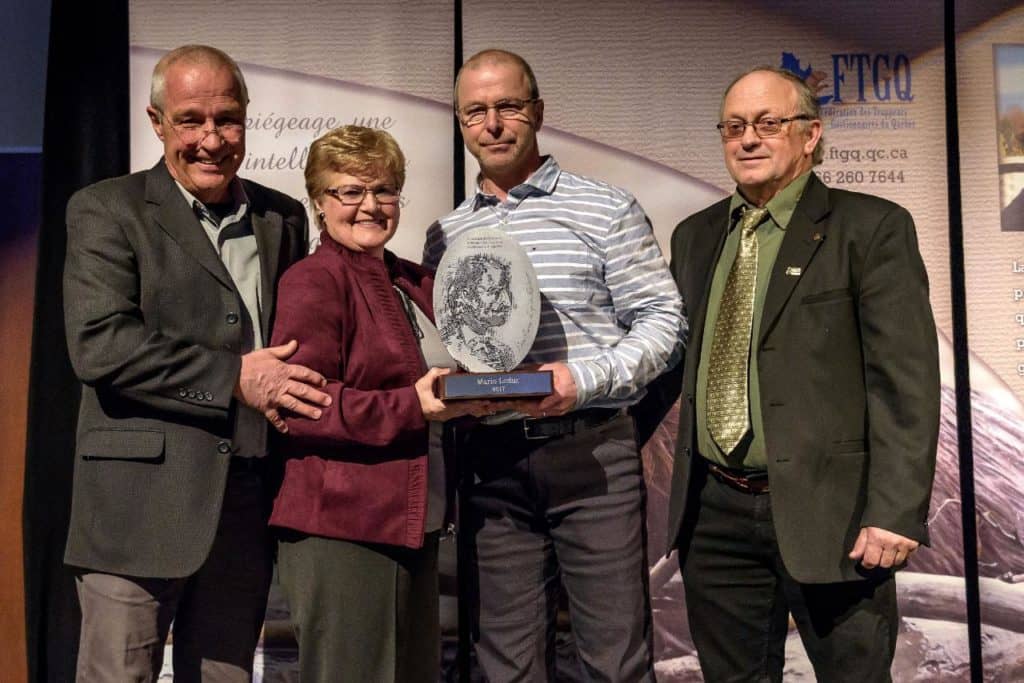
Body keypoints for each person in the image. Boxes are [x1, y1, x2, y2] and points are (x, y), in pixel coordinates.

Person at [62, 45, 331, 682]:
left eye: (227, 119)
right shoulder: (106, 209)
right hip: (136, 508)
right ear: (157, 122)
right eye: (191, 120)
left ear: (246, 119)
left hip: (245, 500)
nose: (210, 139)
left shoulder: (281, 215)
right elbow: (100, 345)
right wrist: (233, 377)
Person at [666, 66, 940, 682]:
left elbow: (907, 382)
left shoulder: (871, 228)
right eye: (734, 127)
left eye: (769, 123)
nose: (749, 139)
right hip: (714, 517)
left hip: (835, 518)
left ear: (811, 134)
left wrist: (895, 511)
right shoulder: (695, 235)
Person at [423, 49, 685, 681]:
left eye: (508, 106)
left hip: (591, 454)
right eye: (475, 111)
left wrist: (583, 380)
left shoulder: (607, 209)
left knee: (614, 659)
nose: (492, 124)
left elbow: (663, 322)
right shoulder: (445, 233)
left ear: (537, 111)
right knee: (505, 662)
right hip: (491, 461)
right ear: (460, 124)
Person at [268, 125, 493, 682]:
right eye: (350, 191)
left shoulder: (415, 280)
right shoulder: (312, 281)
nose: (370, 204)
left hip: (412, 524)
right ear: (319, 202)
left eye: (385, 190)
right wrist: (414, 406)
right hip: (343, 531)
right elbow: (305, 406)